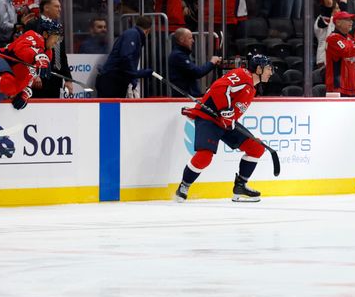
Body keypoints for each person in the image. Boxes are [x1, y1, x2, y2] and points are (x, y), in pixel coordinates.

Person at [175, 54, 274, 202]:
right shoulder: (242, 74)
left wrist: (229, 117)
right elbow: (220, 87)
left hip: (225, 122)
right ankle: (184, 186)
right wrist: (225, 110)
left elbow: (232, 111)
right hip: (209, 119)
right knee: (204, 156)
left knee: (256, 148)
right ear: (258, 69)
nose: (270, 72)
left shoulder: (252, 88)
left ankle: (240, 186)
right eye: (268, 69)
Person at [26, 0, 73, 98]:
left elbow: (61, 55)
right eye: (56, 6)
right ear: (46, 8)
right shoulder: (32, 25)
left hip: (55, 79)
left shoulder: (58, 27)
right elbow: (27, 52)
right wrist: (34, 75)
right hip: (38, 80)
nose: (60, 9)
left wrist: (68, 79)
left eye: (60, 7)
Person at [95, 16, 153, 98]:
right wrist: (135, 74)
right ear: (148, 30)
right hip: (112, 80)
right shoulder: (133, 34)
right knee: (110, 109)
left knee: (113, 109)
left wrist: (132, 76)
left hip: (115, 80)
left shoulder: (133, 34)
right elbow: (126, 57)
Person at [168, 28, 222, 97]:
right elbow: (197, 72)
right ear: (181, 39)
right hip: (185, 97)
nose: (193, 41)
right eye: (190, 38)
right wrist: (212, 62)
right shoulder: (178, 55)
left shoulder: (182, 54)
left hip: (189, 95)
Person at [325, 10, 355, 96]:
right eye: (347, 19)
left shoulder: (349, 38)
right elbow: (347, 52)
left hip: (352, 86)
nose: (351, 22)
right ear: (338, 22)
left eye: (351, 20)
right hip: (338, 86)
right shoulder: (333, 38)